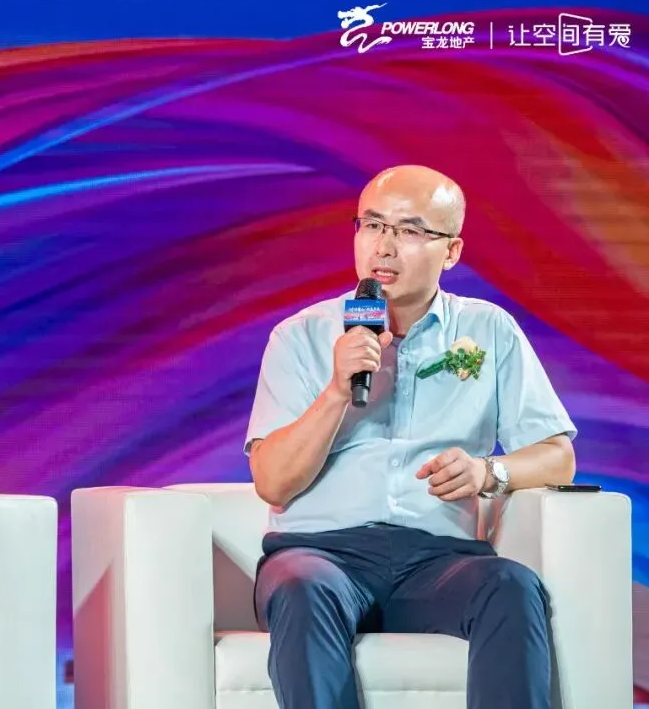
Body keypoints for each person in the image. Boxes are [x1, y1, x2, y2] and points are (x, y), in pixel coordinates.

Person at [245, 165, 576, 709]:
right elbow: (273, 483)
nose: (385, 246)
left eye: (410, 230)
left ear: (452, 251)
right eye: (373, 225)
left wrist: (487, 472)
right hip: (319, 555)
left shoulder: (488, 330)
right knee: (303, 588)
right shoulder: (300, 336)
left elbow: (558, 456)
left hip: (438, 560)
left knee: (512, 586)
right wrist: (337, 391)